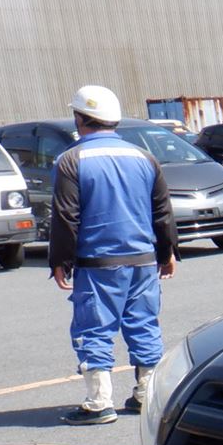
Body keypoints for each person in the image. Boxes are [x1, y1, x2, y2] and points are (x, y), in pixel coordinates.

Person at [49, 84, 177, 426]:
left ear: (80, 118)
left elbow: (66, 216)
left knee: (93, 327)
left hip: (99, 262)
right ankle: (146, 393)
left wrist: (60, 261)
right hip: (143, 260)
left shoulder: (71, 160)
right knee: (144, 323)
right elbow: (162, 211)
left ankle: (98, 401)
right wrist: (166, 253)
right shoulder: (144, 157)